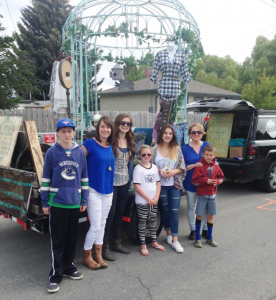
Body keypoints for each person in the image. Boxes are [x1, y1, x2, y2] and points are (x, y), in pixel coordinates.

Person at [41, 118, 89, 293]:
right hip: (57, 202)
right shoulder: (52, 153)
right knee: (58, 240)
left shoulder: (79, 152)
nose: (67, 134)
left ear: (73, 133)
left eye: (70, 131)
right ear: (58, 133)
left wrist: (84, 200)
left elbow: (84, 177)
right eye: (63, 131)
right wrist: (45, 202)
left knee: (71, 238)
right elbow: (45, 178)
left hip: (74, 203)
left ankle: (69, 267)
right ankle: (55, 275)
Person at [81, 116, 115, 269]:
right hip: (94, 189)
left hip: (108, 191)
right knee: (95, 225)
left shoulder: (109, 146)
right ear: (98, 128)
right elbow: (77, 161)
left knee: (102, 223)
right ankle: (87, 256)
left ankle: (98, 255)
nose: (105, 130)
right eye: (102, 127)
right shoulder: (89, 143)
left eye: (108, 127)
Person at [102, 114, 135, 261]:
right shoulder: (111, 140)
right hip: (111, 183)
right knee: (110, 214)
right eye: (123, 122)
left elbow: (130, 163)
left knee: (119, 213)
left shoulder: (129, 141)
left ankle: (117, 242)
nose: (125, 125)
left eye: (128, 123)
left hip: (124, 182)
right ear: (117, 123)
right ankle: (104, 246)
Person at [151, 124, 186, 253]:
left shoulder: (176, 149)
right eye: (165, 133)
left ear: (173, 136)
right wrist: (158, 170)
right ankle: (169, 234)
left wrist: (173, 172)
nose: (167, 135)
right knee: (165, 210)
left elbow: (182, 166)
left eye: (170, 133)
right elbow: (150, 165)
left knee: (174, 211)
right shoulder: (155, 149)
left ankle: (175, 240)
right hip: (160, 186)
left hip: (174, 185)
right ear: (161, 134)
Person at [133, 145, 165, 256]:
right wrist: (147, 199)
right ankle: (143, 244)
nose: (146, 156)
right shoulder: (138, 168)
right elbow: (137, 186)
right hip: (143, 201)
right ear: (140, 155)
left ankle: (154, 241)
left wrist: (156, 197)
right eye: (143, 154)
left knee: (152, 221)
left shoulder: (154, 167)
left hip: (154, 200)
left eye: (149, 154)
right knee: (142, 222)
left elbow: (158, 183)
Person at [191, 145, 225, 248]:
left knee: (210, 216)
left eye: (211, 155)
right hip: (202, 195)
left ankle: (210, 238)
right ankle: (197, 239)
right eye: (206, 154)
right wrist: (205, 180)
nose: (209, 157)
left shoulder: (216, 166)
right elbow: (194, 181)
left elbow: (222, 178)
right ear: (203, 154)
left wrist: (217, 182)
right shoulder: (200, 166)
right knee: (199, 216)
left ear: (214, 155)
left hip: (213, 195)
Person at [181, 123, 210, 241]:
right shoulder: (184, 148)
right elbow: (182, 166)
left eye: (199, 132)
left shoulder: (207, 145)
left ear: (202, 133)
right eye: (193, 132)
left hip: (205, 182)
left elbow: (214, 159)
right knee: (191, 206)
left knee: (204, 207)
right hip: (190, 182)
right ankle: (193, 229)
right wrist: (193, 165)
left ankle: (205, 229)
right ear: (189, 134)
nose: (196, 134)